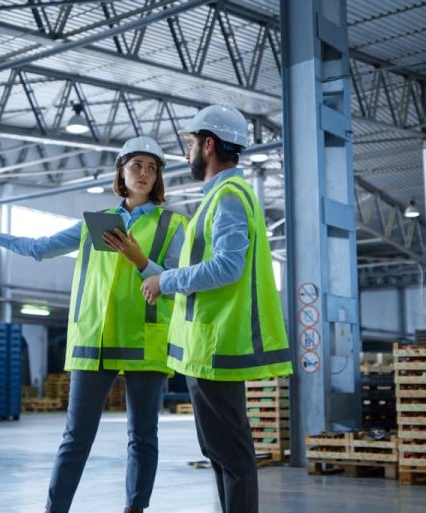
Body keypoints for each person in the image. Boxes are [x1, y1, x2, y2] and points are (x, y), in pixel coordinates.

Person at [0, 136, 187, 513]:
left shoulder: (173, 224)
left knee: (143, 436)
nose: (144, 173)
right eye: (137, 165)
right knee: (76, 436)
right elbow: (40, 248)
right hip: (93, 340)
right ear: (121, 170)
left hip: (145, 340)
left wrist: (139, 259)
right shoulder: (97, 224)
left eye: (152, 167)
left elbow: (177, 281)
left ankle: (135, 508)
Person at [140, 105, 292, 513]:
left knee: (232, 455)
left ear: (208, 145)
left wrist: (165, 281)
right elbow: (202, 273)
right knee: (219, 451)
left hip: (216, 348)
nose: (187, 152)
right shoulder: (219, 198)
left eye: (190, 143)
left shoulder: (227, 197)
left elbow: (227, 266)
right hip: (205, 349)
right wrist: (150, 270)